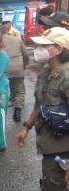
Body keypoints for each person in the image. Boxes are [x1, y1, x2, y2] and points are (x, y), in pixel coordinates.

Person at [17, 27, 69, 190]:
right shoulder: (46, 71)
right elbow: (40, 103)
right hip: (49, 146)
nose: (39, 50)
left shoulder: (67, 76)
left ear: (59, 49)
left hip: (64, 151)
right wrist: (27, 126)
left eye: (44, 46)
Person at [0, 24, 29, 122]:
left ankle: (1, 110)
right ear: (7, 30)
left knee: (1, 90)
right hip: (17, 68)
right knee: (19, 90)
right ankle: (17, 111)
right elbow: (26, 54)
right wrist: (24, 66)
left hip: (3, 69)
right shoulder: (17, 40)